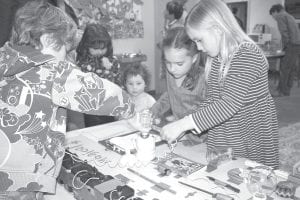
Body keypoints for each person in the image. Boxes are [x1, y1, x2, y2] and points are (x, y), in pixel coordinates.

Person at [0, 1, 134, 199]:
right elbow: (97, 92)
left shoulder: (4, 56)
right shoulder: (51, 71)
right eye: (64, 47)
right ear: (48, 40)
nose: (66, 54)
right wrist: (129, 104)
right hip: (23, 177)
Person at [160, 0, 279, 169]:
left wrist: (183, 123)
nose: (199, 48)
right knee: (224, 174)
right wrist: (185, 126)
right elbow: (213, 99)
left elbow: (228, 104)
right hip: (226, 131)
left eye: (199, 40)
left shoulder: (247, 54)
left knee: (252, 174)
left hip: (250, 131)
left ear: (217, 29)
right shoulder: (215, 59)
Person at [151, 27, 206, 126]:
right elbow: (170, 95)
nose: (172, 69)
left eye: (179, 64)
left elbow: (206, 111)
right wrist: (153, 111)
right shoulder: (172, 74)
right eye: (168, 62)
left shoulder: (203, 79)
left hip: (199, 138)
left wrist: (181, 123)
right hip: (178, 134)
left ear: (194, 58)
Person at [75, 23, 121, 127]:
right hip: (91, 108)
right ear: (86, 46)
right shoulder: (83, 63)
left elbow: (117, 83)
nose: (100, 52)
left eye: (103, 48)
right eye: (95, 49)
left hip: (110, 104)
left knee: (110, 128)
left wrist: (109, 69)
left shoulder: (113, 61)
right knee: (93, 129)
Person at [269, 4, 300, 96]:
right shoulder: (290, 16)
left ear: (275, 11)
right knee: (291, 69)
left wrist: (284, 48)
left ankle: (281, 92)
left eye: (272, 15)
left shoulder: (280, 16)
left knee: (284, 69)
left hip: (291, 45)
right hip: (297, 45)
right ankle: (286, 90)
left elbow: (284, 33)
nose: (273, 18)